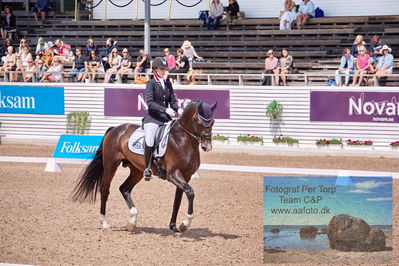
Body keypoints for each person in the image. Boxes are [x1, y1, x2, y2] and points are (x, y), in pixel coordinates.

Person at [142, 57, 183, 181]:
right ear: (155, 69)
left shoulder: (168, 83)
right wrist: (165, 109)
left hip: (166, 119)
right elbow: (150, 103)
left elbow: (173, 102)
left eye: (165, 68)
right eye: (161, 68)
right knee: (149, 139)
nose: (164, 70)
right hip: (153, 118)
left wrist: (179, 109)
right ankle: (147, 168)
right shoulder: (151, 83)